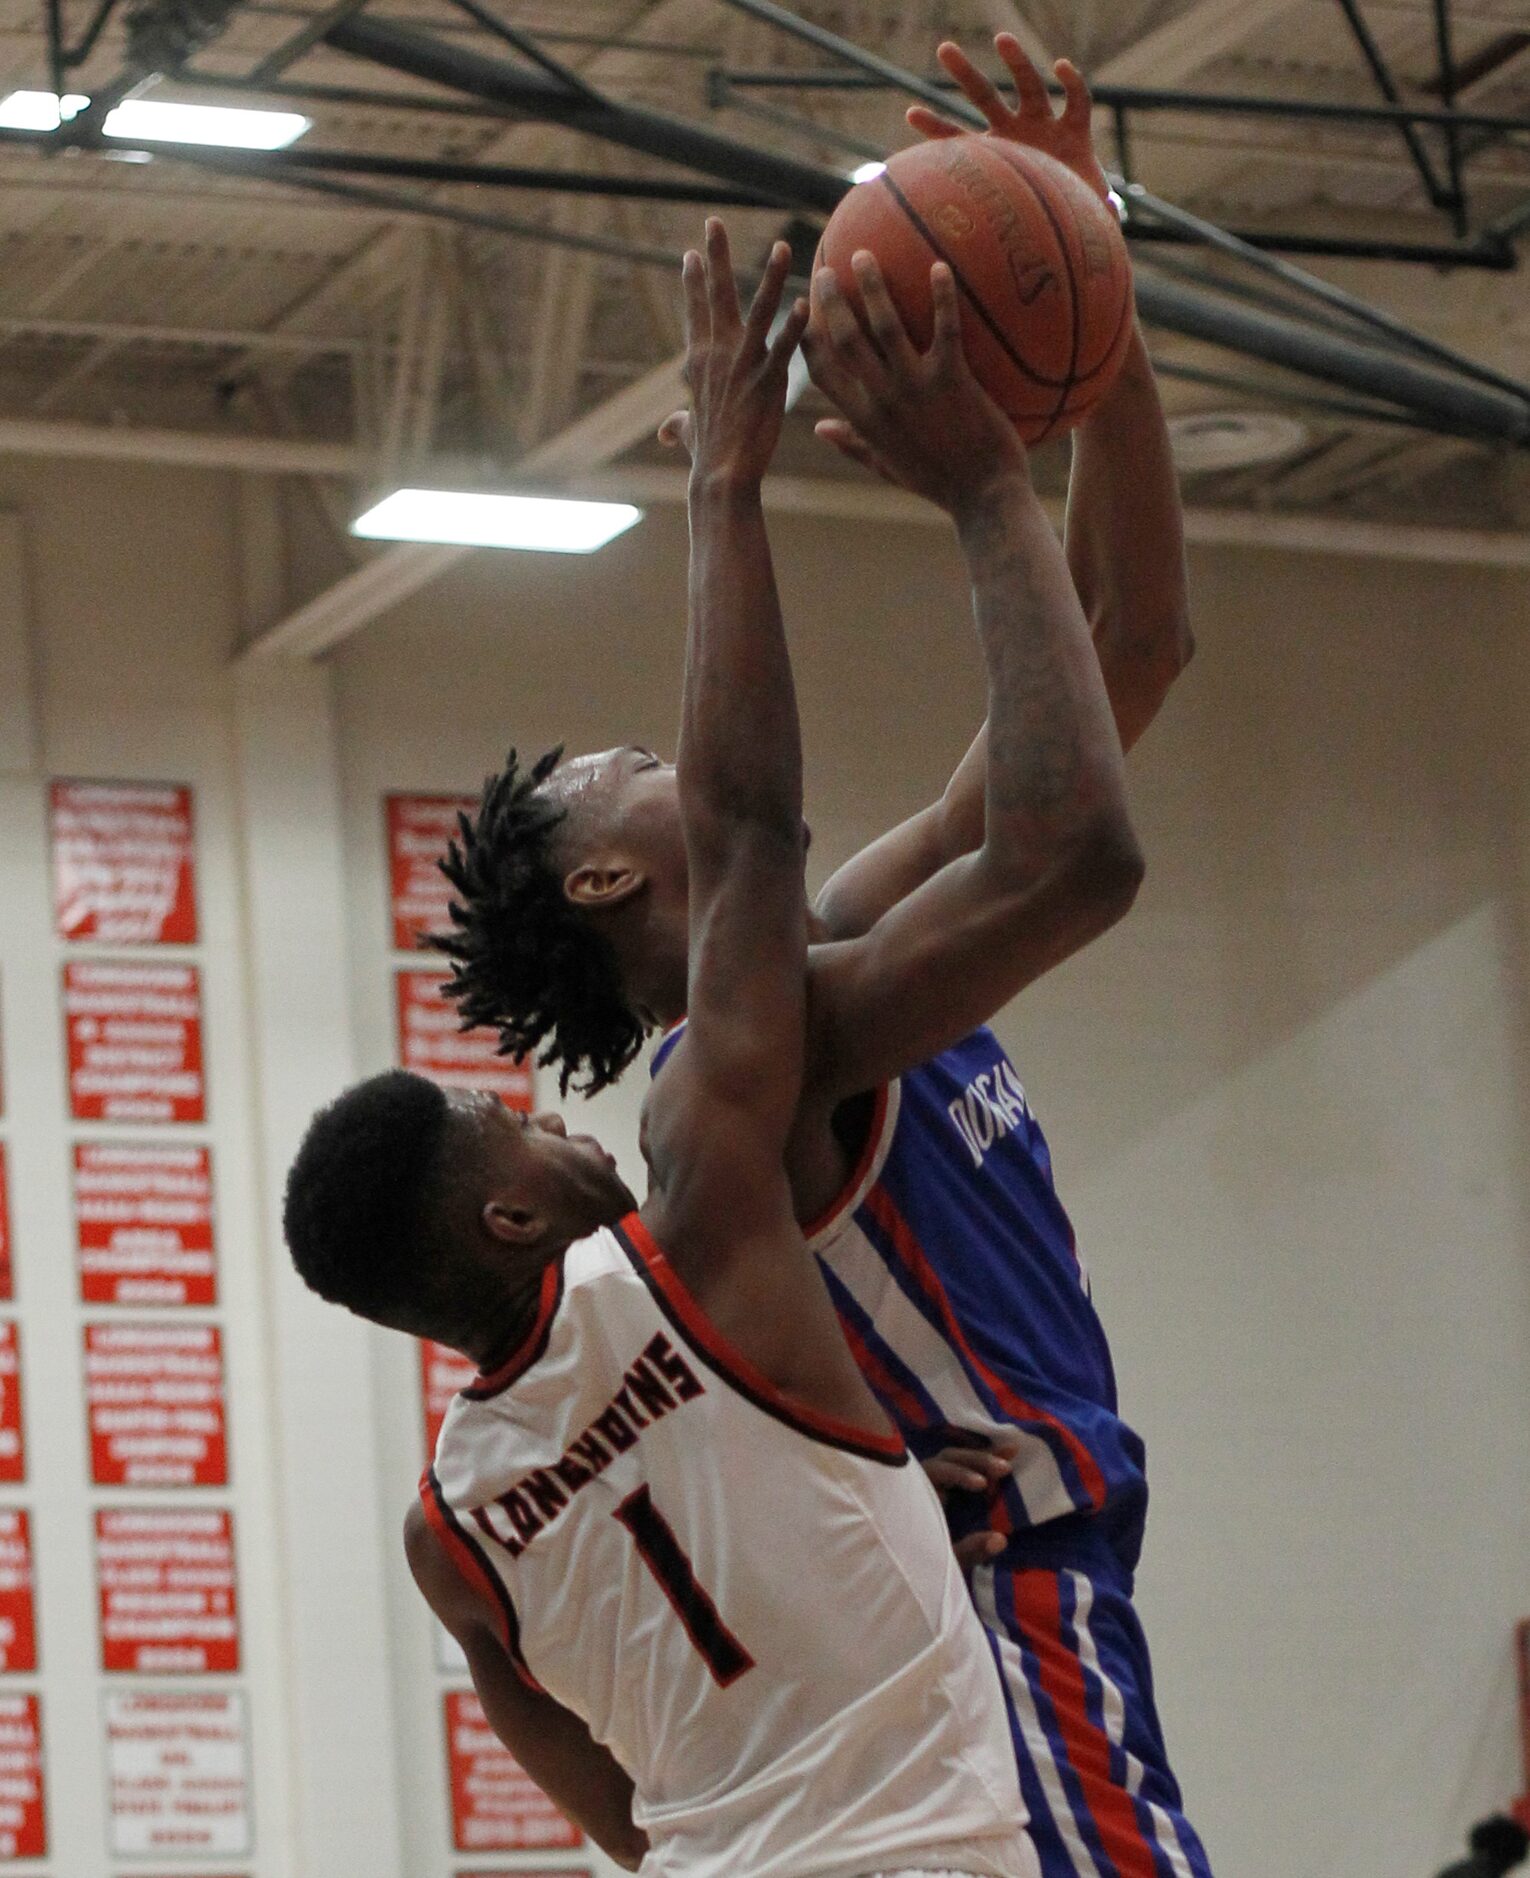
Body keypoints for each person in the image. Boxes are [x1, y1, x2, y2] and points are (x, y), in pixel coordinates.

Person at [433, 39, 1209, 1878]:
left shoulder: (829, 938)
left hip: (1054, 1586)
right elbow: (1069, 844)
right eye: (612, 772)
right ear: (611, 880)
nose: (650, 746)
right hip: (1004, 1605)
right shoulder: (742, 1069)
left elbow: (1137, 644)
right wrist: (974, 488)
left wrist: (1093, 293)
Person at [285, 229, 1039, 1878]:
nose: (548, 1121)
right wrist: (722, 485)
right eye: (506, 1125)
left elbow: (620, 1817)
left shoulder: (450, 1534)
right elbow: (754, 824)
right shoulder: (693, 1223)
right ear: (504, 1218)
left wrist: (877, 1474)